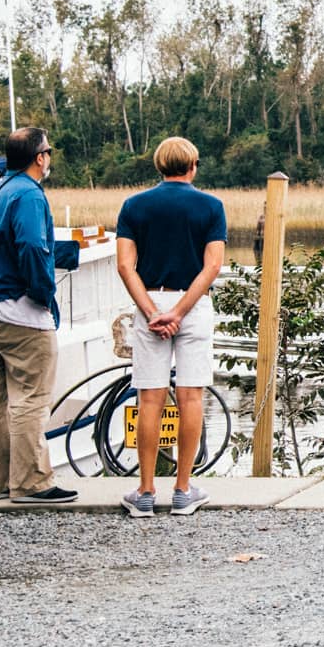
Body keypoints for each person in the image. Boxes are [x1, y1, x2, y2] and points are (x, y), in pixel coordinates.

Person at [114, 137, 228, 518]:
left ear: (159, 166)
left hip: (151, 303)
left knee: (150, 397)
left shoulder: (134, 206)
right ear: (193, 166)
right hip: (192, 306)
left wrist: (150, 311)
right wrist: (180, 311)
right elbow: (211, 266)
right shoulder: (211, 207)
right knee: (191, 396)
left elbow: (125, 266)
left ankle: (145, 491)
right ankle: (183, 488)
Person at [0, 127, 79, 504]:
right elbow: (31, 245)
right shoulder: (29, 195)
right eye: (49, 152)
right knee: (31, 396)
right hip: (20, 310)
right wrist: (43, 293)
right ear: (39, 157)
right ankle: (31, 483)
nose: (49, 159)